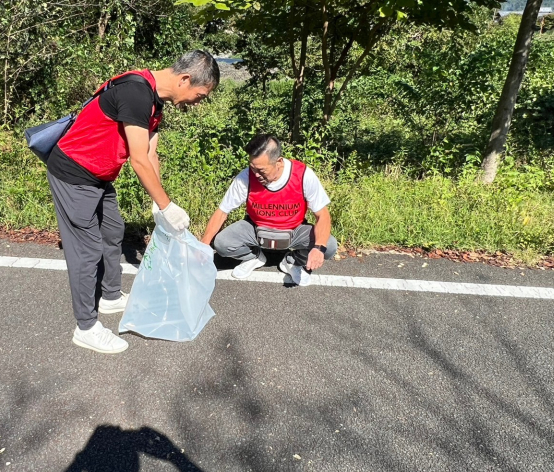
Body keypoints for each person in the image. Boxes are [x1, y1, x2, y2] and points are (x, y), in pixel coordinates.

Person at [47, 50, 220, 354]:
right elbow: (138, 160)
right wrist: (167, 207)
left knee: (112, 230)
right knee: (86, 252)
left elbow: (151, 154)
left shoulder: (155, 101)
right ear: (185, 79)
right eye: (201, 94)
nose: (198, 101)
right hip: (74, 173)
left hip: (99, 175)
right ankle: (85, 327)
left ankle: (110, 295)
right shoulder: (137, 93)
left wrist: (159, 201)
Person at [201, 134, 337, 286]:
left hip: (294, 230)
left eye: (261, 170)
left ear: (278, 162)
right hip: (256, 228)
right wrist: (203, 246)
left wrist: (318, 248)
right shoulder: (246, 177)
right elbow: (222, 212)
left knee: (329, 246)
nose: (256, 175)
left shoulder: (303, 175)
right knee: (222, 243)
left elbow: (322, 215)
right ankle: (254, 257)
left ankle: (292, 261)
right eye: (252, 168)